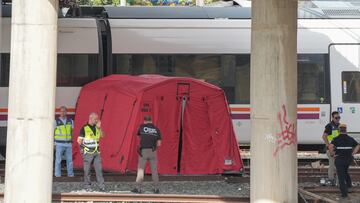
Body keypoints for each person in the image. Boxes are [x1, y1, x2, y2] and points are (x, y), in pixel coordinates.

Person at [131, 115, 162, 194]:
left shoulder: (142, 127)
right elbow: (159, 144)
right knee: (154, 171)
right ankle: (156, 188)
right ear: (151, 121)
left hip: (143, 151)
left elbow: (138, 136)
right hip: (153, 151)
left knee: (141, 170)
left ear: (144, 121)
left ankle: (138, 188)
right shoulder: (157, 129)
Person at [329, 124, 360, 199]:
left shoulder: (336, 139)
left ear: (339, 130)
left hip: (339, 160)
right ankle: (349, 185)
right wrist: (353, 153)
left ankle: (344, 194)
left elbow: (330, 146)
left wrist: (332, 154)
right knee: (345, 172)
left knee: (341, 177)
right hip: (348, 159)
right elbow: (358, 145)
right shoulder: (350, 138)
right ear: (346, 130)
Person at [77, 112, 105, 191]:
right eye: (96, 119)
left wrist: (99, 128)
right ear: (91, 118)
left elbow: (103, 136)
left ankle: (101, 186)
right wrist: (82, 149)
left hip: (97, 152)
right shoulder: (84, 128)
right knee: (87, 171)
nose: (97, 120)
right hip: (88, 152)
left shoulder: (97, 127)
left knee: (99, 170)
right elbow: (79, 140)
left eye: (97, 119)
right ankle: (87, 186)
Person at [54, 106, 74, 177]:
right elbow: (52, 132)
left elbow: (72, 132)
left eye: (64, 111)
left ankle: (70, 175)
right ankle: (57, 175)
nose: (63, 112)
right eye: (61, 111)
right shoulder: (56, 121)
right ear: (59, 112)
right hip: (59, 144)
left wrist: (72, 140)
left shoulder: (70, 121)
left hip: (68, 144)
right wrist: (54, 143)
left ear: (66, 112)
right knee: (58, 160)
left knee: (70, 161)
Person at [322, 111, 340, 185]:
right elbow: (324, 136)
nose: (338, 119)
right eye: (336, 118)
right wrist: (328, 146)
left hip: (337, 149)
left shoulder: (339, 126)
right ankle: (331, 180)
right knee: (332, 165)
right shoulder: (329, 126)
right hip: (331, 149)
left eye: (339, 117)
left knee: (338, 165)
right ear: (332, 118)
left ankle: (338, 181)